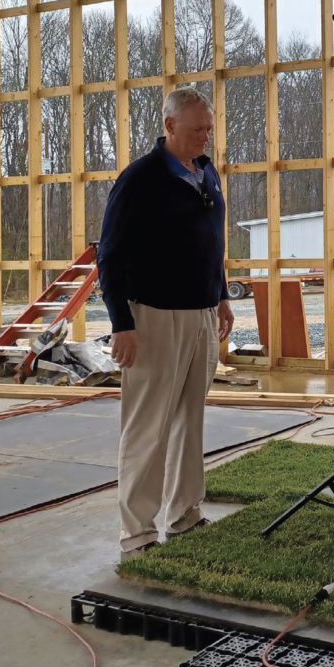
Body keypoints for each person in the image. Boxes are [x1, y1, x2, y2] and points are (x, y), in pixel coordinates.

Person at [98, 87, 235, 562]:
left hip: (201, 315)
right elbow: (109, 255)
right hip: (152, 317)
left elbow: (211, 242)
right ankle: (137, 532)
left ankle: (185, 514)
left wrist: (219, 296)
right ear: (170, 126)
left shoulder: (206, 172)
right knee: (147, 427)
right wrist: (122, 323)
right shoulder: (140, 179)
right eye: (196, 129)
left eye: (209, 130)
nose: (205, 137)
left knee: (189, 421)